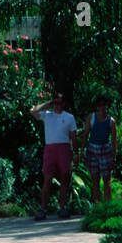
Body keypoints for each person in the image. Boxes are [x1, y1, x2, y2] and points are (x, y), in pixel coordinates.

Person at [30, 90, 78, 219]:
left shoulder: (69, 117)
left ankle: (62, 207)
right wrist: (48, 103)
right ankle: (43, 209)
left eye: (59, 102)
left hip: (64, 148)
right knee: (47, 179)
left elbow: (74, 136)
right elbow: (33, 111)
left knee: (64, 179)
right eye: (55, 102)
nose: (57, 105)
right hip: (50, 149)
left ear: (63, 104)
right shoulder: (47, 115)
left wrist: (76, 154)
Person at [82, 95, 117, 203]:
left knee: (107, 180)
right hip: (92, 150)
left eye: (104, 105)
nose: (102, 107)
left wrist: (113, 158)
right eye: (99, 105)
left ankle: (108, 206)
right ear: (97, 106)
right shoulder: (91, 118)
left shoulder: (111, 121)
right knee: (95, 180)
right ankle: (97, 207)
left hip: (105, 150)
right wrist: (81, 151)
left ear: (107, 106)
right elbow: (85, 134)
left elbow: (114, 141)